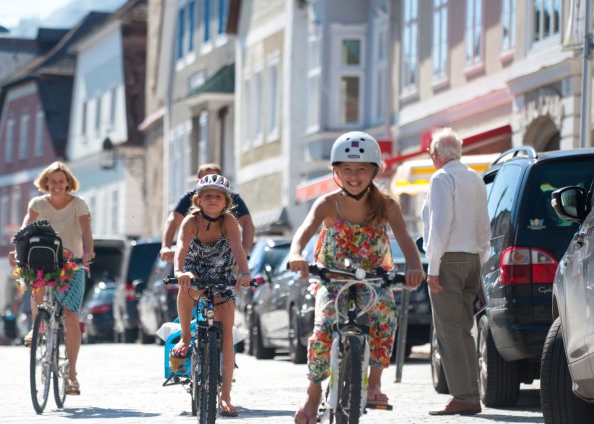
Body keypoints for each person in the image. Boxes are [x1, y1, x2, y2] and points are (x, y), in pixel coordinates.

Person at [288, 131, 426, 424]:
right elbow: (305, 230)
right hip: (332, 278)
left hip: (372, 280)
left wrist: (415, 266)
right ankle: (313, 393)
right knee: (323, 327)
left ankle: (374, 382)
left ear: (374, 171)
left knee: (386, 314)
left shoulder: (387, 204)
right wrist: (296, 253)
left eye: (361, 169)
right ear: (336, 171)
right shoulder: (328, 203)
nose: (354, 176)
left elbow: (405, 238)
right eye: (346, 170)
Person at [169, 173, 252, 417]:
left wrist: (244, 272)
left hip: (222, 274)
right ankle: (185, 337)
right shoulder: (190, 221)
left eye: (217, 196)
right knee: (186, 288)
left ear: (226, 201)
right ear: (198, 200)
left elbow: (238, 248)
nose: (212, 200)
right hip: (193, 271)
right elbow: (181, 247)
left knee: (226, 338)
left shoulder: (229, 222)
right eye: (207, 196)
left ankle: (225, 397)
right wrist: (179, 271)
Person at [422, 128, 489, 416]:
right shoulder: (475, 178)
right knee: (464, 330)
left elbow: (440, 226)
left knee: (449, 331)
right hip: (472, 260)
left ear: (437, 155)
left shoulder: (441, 178)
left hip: (448, 261)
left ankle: (464, 396)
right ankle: (470, 393)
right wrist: (482, 263)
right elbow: (484, 226)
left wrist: (433, 267)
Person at [13, 161, 94, 395]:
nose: (57, 185)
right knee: (35, 281)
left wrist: (88, 251)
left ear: (68, 183)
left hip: (73, 263)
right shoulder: (38, 203)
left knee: (70, 315)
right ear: (46, 183)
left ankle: (71, 375)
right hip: (44, 259)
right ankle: (36, 327)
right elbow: (25, 229)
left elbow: (86, 231)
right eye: (52, 181)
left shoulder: (78, 204)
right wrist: (16, 248)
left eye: (61, 181)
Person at [159, 163, 254, 262]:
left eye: (214, 179)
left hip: (225, 259)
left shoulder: (232, 198)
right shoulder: (189, 198)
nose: (210, 184)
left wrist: (245, 250)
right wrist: (165, 247)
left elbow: (247, 224)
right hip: (195, 258)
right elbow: (172, 221)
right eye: (205, 179)